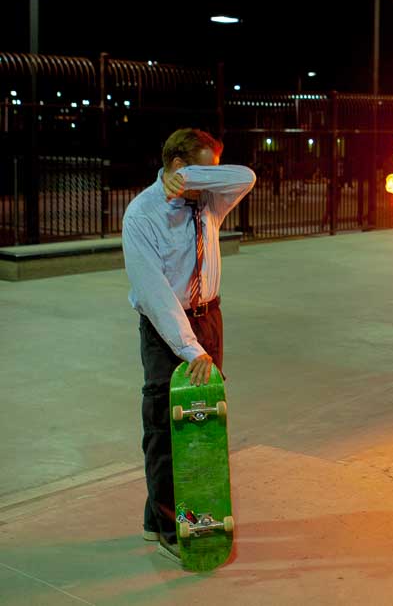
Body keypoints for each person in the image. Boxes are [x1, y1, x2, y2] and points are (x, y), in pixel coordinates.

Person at [122, 128, 255, 561]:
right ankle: (167, 527)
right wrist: (190, 348)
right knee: (167, 423)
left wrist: (197, 179)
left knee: (203, 418)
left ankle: (155, 518)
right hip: (167, 330)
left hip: (209, 318)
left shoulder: (208, 199)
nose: (211, 180)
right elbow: (155, 296)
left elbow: (246, 176)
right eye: (202, 170)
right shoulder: (142, 215)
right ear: (180, 165)